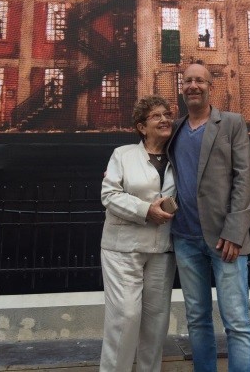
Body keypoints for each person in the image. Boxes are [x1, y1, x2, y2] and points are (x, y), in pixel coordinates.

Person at [168, 63, 250, 372]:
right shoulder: (174, 129)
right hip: (185, 239)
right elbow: (153, 161)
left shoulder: (232, 123)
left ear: (210, 87)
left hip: (225, 240)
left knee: (237, 321)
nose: (193, 85)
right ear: (182, 88)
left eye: (200, 81)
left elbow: (244, 179)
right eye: (188, 81)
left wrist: (235, 232)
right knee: (197, 320)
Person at [100, 95, 177, 372]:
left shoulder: (178, 157)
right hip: (123, 249)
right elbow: (109, 195)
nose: (164, 119)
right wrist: (146, 210)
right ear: (142, 127)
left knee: (156, 323)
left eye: (167, 114)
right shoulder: (123, 155)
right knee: (126, 318)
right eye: (156, 116)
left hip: (162, 249)